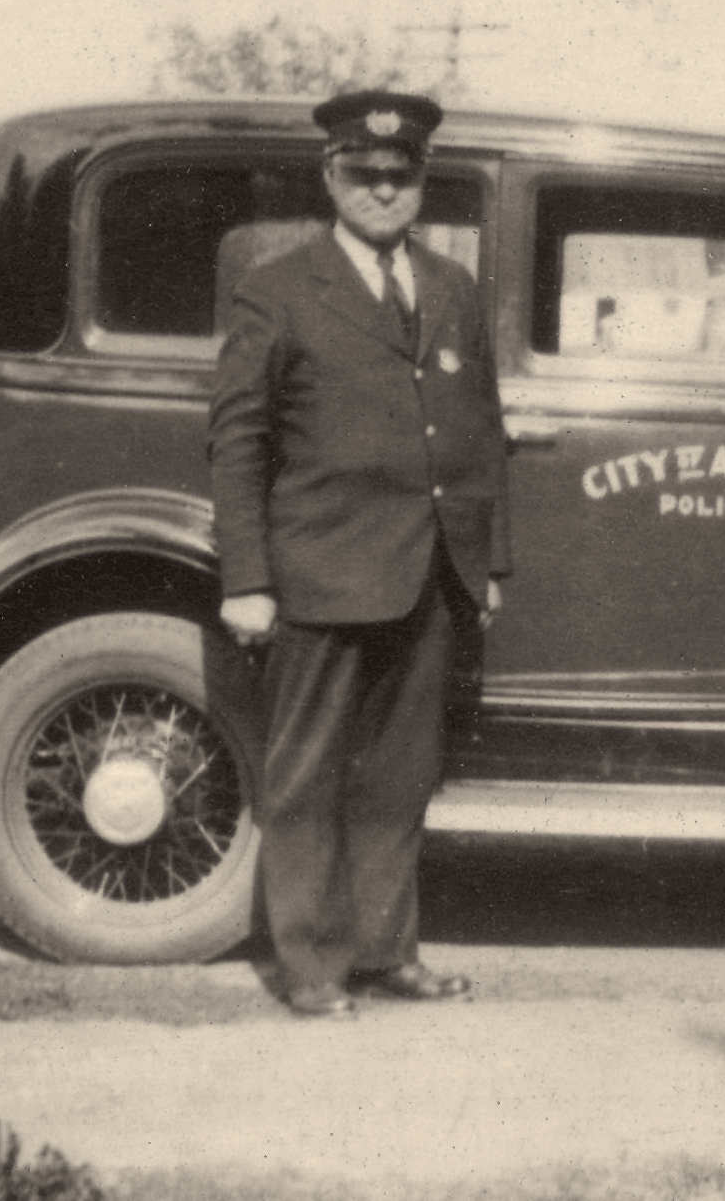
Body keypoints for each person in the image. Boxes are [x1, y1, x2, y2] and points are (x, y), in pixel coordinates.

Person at [209, 90, 510, 1018]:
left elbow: (480, 431)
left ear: (422, 181)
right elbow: (238, 440)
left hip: (428, 576)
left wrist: (488, 560)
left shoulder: (453, 290)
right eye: (364, 174)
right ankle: (309, 967)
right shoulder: (280, 289)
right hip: (320, 575)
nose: (384, 190)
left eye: (402, 174)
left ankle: (386, 951)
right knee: (305, 779)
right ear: (330, 177)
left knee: (400, 777)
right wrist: (248, 579)